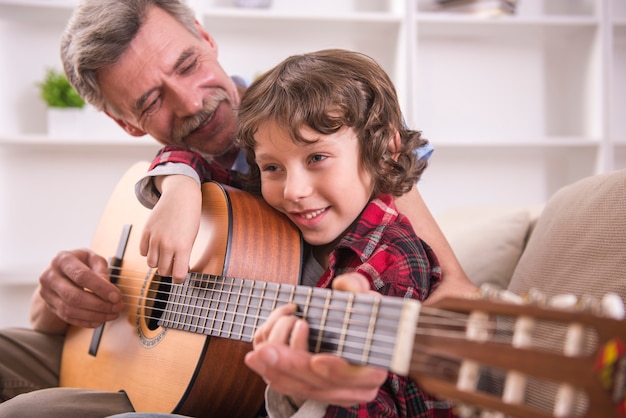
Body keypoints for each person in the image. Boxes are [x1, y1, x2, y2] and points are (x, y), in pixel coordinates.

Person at [0, 0, 474, 416]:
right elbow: (49, 320)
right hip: (127, 347)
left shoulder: (326, 115)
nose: (190, 103)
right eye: (150, 100)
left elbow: (444, 279)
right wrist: (59, 298)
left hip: (222, 382)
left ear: (206, 37)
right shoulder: (171, 170)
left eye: (186, 64)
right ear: (125, 123)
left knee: (29, 411)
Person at [113, 47, 457, 418]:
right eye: (273, 167)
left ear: (386, 148)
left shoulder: (391, 259)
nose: (293, 191)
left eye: (316, 158)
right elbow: (194, 155)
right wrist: (178, 184)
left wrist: (304, 389)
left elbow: (375, 404)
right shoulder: (268, 214)